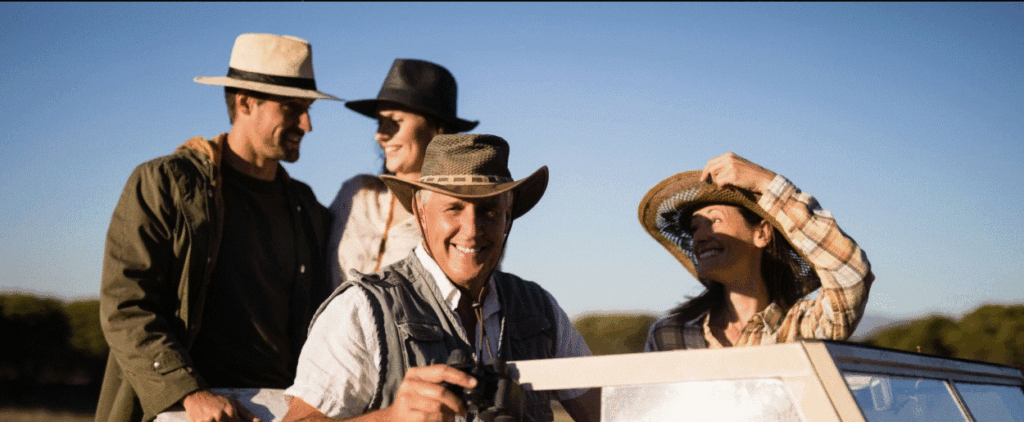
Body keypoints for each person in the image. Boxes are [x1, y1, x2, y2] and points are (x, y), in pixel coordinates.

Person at [96, 33, 340, 422]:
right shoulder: (165, 183)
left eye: (308, 109)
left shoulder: (306, 207)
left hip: (284, 408)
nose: (307, 125)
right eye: (293, 109)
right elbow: (126, 304)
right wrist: (189, 393)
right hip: (186, 410)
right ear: (245, 102)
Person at [282, 134, 600, 422]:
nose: (471, 230)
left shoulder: (540, 310)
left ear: (508, 216)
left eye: (488, 210)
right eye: (454, 208)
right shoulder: (361, 308)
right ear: (421, 213)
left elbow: (607, 412)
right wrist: (391, 419)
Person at [639, 152, 874, 350]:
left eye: (715, 220)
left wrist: (766, 182)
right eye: (694, 228)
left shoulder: (801, 327)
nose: (699, 237)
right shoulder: (670, 336)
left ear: (761, 233)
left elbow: (850, 275)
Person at [327, 59, 479, 287]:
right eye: (380, 122)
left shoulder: (464, 216)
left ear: (437, 131)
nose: (380, 135)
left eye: (396, 121)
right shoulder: (356, 194)